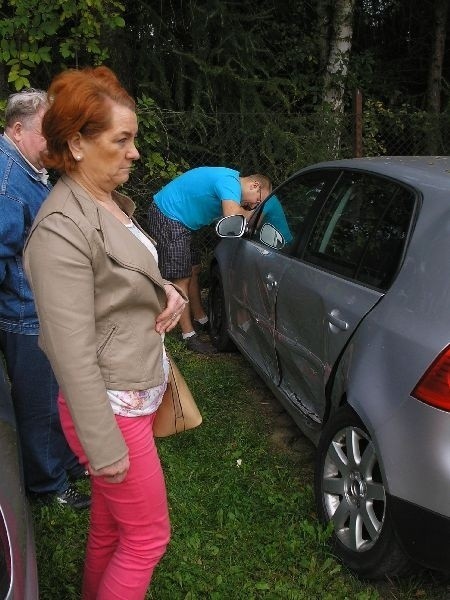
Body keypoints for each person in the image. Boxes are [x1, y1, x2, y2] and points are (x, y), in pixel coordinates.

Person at [24, 66, 187, 600]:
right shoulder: (60, 230)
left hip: (133, 391)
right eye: (122, 140)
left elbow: (124, 273)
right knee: (147, 539)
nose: (134, 152)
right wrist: (104, 448)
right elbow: (68, 356)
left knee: (111, 529)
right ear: (75, 143)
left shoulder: (106, 203)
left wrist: (168, 290)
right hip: (109, 409)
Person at [0, 88, 90, 509]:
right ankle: (47, 485)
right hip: (24, 315)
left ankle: (64, 460)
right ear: (17, 130)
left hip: (46, 310)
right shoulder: (7, 183)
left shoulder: (28, 166)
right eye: (47, 134)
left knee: (59, 394)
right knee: (37, 404)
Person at [147, 166, 272, 354]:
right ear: (255, 185)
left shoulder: (231, 185)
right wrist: (256, 214)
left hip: (183, 223)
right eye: (258, 201)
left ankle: (201, 318)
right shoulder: (230, 183)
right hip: (168, 216)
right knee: (181, 277)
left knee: (194, 269)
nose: (254, 205)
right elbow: (233, 218)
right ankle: (188, 335)